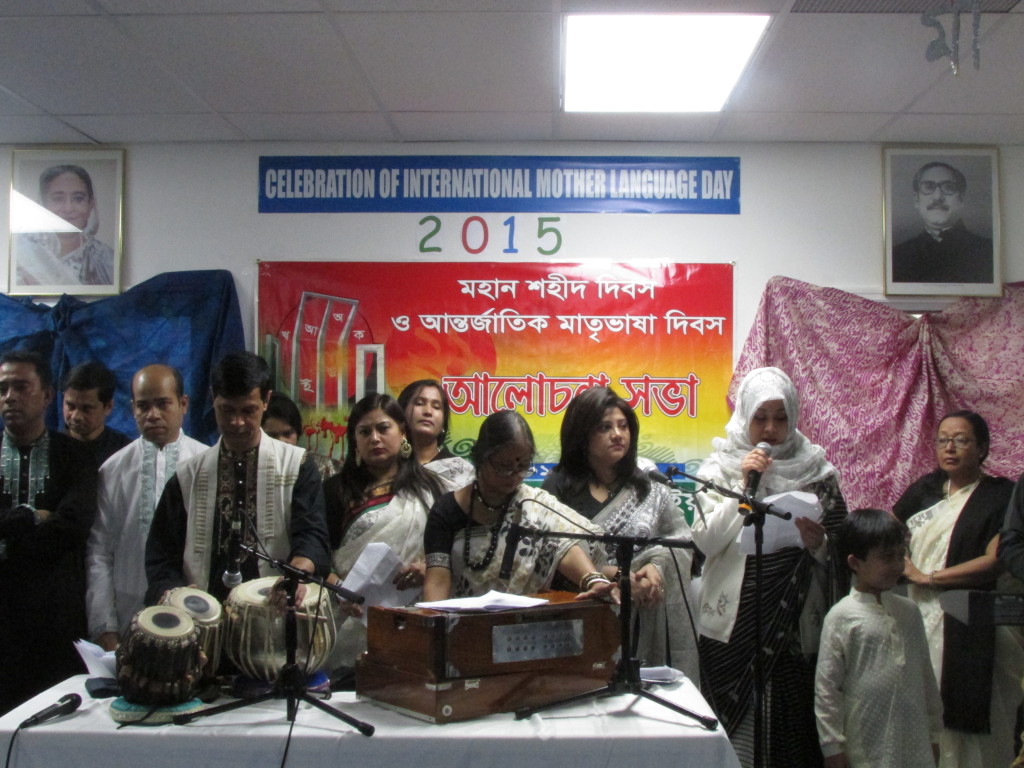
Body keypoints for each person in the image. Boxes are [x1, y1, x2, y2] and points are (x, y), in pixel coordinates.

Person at [691, 366, 848, 768]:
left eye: (780, 417)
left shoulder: (818, 473)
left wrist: (820, 545)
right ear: (744, 416)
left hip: (794, 625)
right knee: (738, 737)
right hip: (734, 626)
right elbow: (706, 541)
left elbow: (844, 549)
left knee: (790, 735)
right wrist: (746, 486)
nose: (770, 429)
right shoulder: (719, 469)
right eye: (760, 417)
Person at [145, 352, 330, 606]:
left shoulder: (296, 466)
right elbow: (161, 556)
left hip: (275, 610)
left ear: (266, 401)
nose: (237, 422)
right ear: (213, 399)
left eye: (248, 410)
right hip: (204, 614)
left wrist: (296, 573)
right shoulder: (188, 475)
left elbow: (313, 535)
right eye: (227, 410)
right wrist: (175, 592)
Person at [894, 410, 1023, 768]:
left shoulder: (1000, 495)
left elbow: (996, 560)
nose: (950, 447)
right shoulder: (925, 489)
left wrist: (930, 578)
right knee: (925, 707)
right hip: (920, 614)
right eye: (943, 440)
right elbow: (886, 530)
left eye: (961, 440)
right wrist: (902, 564)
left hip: (975, 620)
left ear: (982, 448)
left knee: (977, 714)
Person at [542, 386, 697, 679]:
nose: (617, 434)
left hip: (644, 614)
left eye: (623, 426)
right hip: (582, 618)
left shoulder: (647, 485)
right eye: (605, 427)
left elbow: (680, 541)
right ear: (582, 435)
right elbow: (549, 556)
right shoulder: (558, 487)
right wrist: (619, 577)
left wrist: (656, 567)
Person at [422, 409, 617, 603]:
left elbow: (564, 545)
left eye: (522, 466)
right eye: (504, 466)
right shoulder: (446, 511)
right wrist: (434, 620)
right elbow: (437, 582)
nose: (514, 475)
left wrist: (593, 580)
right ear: (480, 457)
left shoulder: (533, 504)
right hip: (462, 619)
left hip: (526, 619)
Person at [0, 350, 98, 715]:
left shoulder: (75, 456)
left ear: (46, 395)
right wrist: (33, 516)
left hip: (57, 617)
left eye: (21, 387)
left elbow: (73, 525)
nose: (10, 397)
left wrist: (11, 531)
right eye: (3, 388)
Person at [322, 393, 448, 673]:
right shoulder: (335, 491)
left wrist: (429, 568)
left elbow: (452, 548)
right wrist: (340, 589)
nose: (375, 438)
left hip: (416, 615)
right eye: (364, 432)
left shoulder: (431, 488)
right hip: (348, 617)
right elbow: (318, 554)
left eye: (383, 428)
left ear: (402, 432)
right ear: (354, 440)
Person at [86, 364, 208, 651]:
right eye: (143, 406)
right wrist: (105, 626)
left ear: (183, 404)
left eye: (163, 404)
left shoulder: (207, 465)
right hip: (129, 616)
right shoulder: (113, 470)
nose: (153, 414)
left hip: (198, 615)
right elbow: (99, 553)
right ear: (132, 409)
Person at [814, 508, 941, 768]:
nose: (897, 565)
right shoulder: (841, 616)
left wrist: (934, 735)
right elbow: (827, 689)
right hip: (866, 746)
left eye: (900, 555)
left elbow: (926, 677)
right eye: (886, 557)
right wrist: (832, 746)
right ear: (855, 563)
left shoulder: (909, 612)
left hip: (915, 744)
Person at [13, 164, 115, 287]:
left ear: (90, 204)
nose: (68, 208)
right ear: (42, 205)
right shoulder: (21, 253)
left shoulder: (106, 258)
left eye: (78, 199)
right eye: (58, 199)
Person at [892, 161, 993, 284]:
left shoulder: (988, 252)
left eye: (948, 187)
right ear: (916, 200)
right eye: (929, 187)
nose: (938, 197)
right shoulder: (897, 256)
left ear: (961, 199)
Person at [397, 378, 474, 488]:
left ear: (443, 422)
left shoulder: (461, 470)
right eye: (419, 403)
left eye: (436, 407)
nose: (428, 411)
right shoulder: (389, 465)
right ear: (402, 412)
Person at [62, 361, 132, 465]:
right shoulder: (49, 449)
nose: (76, 416)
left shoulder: (125, 452)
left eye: (86, 408)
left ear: (108, 407)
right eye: (70, 406)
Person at [262, 391, 341, 482]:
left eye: (287, 434)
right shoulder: (253, 470)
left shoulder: (326, 470)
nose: (281, 442)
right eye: (271, 436)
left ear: (298, 432)